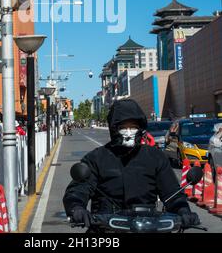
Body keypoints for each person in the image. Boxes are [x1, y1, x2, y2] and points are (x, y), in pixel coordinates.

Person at [63, 98, 200, 232]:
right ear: (114, 128)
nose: (128, 131)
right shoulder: (96, 158)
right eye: (123, 127)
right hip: (105, 228)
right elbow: (79, 189)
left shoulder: (156, 157)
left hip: (149, 227)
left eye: (133, 127)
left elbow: (172, 193)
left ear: (140, 129)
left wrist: (183, 211)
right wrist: (76, 208)